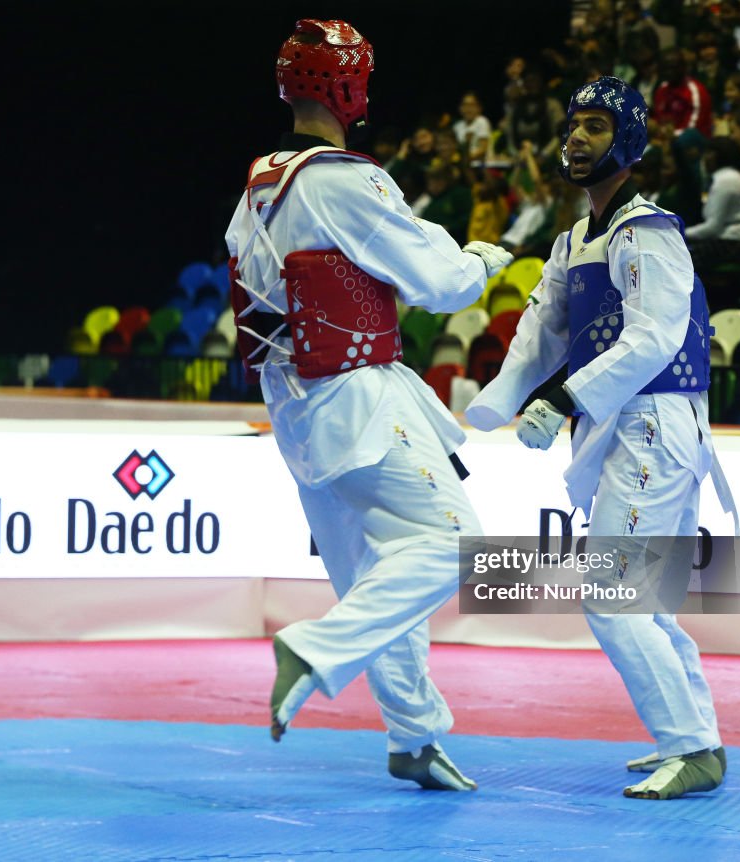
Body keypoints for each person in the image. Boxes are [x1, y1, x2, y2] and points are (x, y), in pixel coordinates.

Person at [224, 19, 512, 791]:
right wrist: (480, 258)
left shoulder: (259, 184)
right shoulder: (346, 179)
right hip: (359, 401)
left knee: (376, 582)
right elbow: (439, 283)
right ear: (345, 86)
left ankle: (414, 737)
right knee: (452, 543)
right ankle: (316, 649)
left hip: (297, 410)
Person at [466, 77, 736, 800]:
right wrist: (490, 409)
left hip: (654, 420)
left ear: (628, 139)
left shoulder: (648, 231)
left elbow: (653, 336)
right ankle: (696, 738)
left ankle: (692, 748)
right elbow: (542, 334)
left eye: (595, 124)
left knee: (613, 594)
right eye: (573, 124)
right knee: (645, 602)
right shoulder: (572, 242)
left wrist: (562, 396)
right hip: (622, 423)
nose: (577, 137)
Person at [685, 136, 740, 273]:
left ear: (716, 156)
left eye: (708, 153)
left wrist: (680, 232)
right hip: (738, 242)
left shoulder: (725, 180)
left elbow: (712, 228)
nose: (705, 159)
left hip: (738, 243)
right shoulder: (728, 177)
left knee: (681, 258)